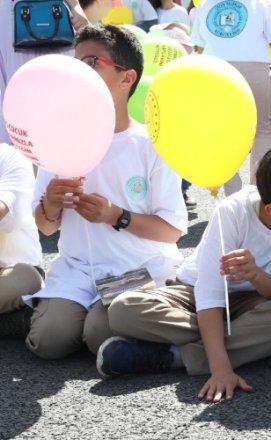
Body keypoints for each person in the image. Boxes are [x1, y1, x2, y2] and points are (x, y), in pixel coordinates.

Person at [96, 144, 271, 402]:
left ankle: (175, 357)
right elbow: (209, 294)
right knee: (123, 310)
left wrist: (256, 275)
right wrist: (221, 369)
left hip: (255, 302)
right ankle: (268, 345)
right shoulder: (233, 211)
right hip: (193, 294)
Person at [26, 24, 187, 360]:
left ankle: (157, 318)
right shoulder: (58, 140)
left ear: (126, 78)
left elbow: (173, 229)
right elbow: (44, 227)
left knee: (99, 333)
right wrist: (50, 203)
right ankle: (46, 316)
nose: (77, 74)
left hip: (138, 268)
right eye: (75, 62)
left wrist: (116, 216)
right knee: (49, 341)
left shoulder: (151, 145)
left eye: (91, 63)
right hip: (78, 270)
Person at [191, 0, 271, 195]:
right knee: (262, 130)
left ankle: (232, 190)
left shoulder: (204, 6)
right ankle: (257, 190)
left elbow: (198, 48)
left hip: (215, 72)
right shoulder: (263, 4)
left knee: (222, 132)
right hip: (254, 68)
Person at [0, 0, 96, 145]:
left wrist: (76, 6)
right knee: (17, 98)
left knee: (64, 93)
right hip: (13, 19)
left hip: (55, 16)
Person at [0, 144, 44, 339]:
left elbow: (2, 209)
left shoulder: (10, 157)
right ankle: (18, 322)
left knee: (25, 278)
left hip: (10, 271)